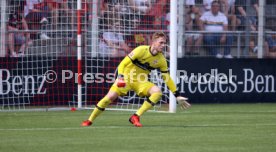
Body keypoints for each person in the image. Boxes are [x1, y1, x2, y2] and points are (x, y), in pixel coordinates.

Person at [82, 32, 191, 127]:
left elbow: (167, 78)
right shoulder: (140, 50)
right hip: (127, 78)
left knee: (157, 92)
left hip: (141, 82)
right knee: (108, 98)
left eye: (164, 43)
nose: (163, 45)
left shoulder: (161, 60)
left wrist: (177, 95)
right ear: (153, 42)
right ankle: (89, 120)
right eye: (161, 42)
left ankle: (135, 116)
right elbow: (123, 64)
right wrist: (120, 77)